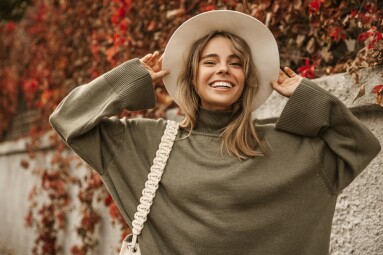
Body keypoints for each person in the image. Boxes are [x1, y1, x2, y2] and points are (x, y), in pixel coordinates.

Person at [49, 10, 380, 255]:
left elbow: (359, 146)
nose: (223, 68)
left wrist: (309, 97)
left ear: (247, 78)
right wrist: (131, 79)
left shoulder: (293, 148)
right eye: (210, 61)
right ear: (191, 76)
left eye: (236, 63)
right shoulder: (144, 144)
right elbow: (68, 119)